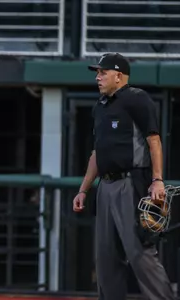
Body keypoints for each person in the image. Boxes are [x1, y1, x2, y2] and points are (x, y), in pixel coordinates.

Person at [73, 53, 174, 300]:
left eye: (102, 72)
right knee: (106, 260)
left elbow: (154, 140)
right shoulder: (100, 106)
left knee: (140, 253)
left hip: (131, 183)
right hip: (105, 186)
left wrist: (157, 179)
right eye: (97, 73)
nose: (98, 77)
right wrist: (84, 189)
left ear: (118, 76)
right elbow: (97, 152)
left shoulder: (136, 99)